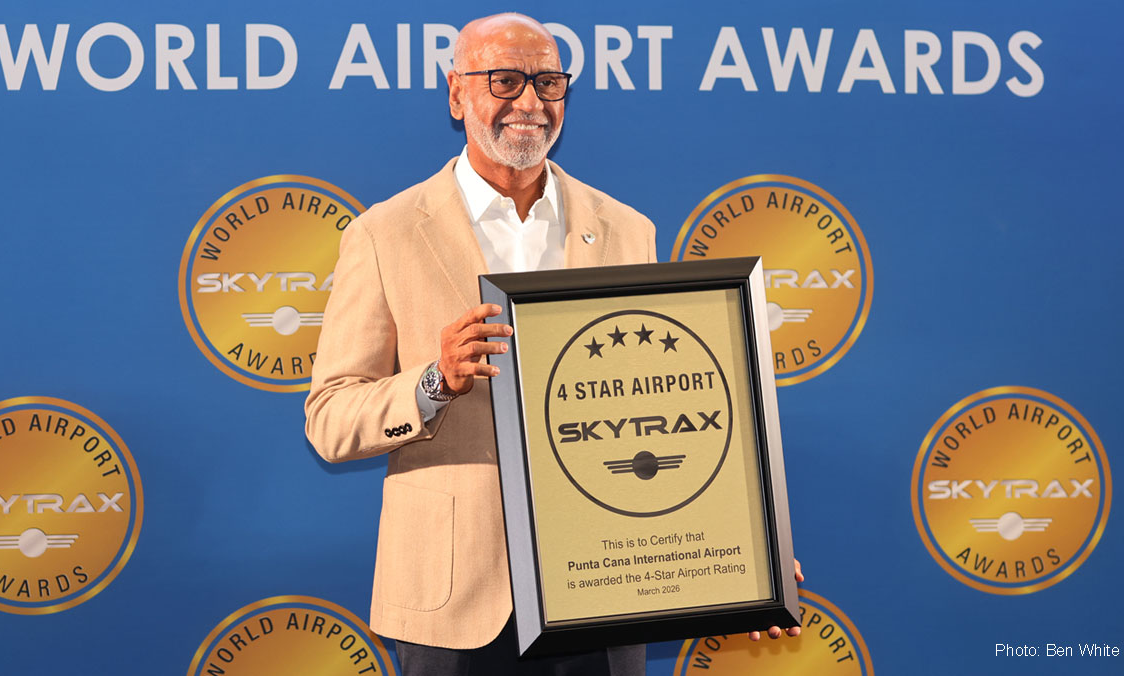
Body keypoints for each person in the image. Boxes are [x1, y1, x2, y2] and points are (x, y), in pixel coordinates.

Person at [305, 12, 801, 675]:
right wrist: (434, 380)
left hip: (610, 583)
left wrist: (747, 555)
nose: (530, 102)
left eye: (548, 82)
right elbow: (331, 419)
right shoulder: (384, 234)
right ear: (457, 94)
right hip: (454, 598)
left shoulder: (627, 229)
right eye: (504, 81)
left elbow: (665, 405)